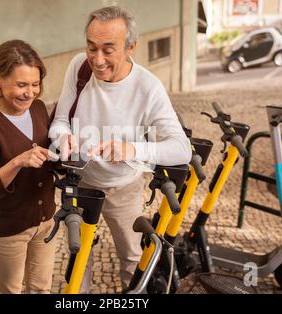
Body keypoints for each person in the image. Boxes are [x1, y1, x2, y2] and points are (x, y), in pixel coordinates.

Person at [49, 6, 191, 292]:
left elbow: (182, 149)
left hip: (123, 188)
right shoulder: (79, 66)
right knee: (78, 259)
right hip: (80, 183)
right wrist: (63, 137)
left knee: (132, 260)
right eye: (91, 47)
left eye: (107, 50)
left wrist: (133, 149)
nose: (97, 60)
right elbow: (60, 120)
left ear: (130, 47)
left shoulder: (148, 87)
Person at [0, 40, 57, 294]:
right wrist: (18, 161)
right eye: (21, 85)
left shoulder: (38, 109)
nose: (30, 93)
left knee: (41, 289)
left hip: (45, 221)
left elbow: (49, 159)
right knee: (11, 291)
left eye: (35, 84)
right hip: (7, 231)